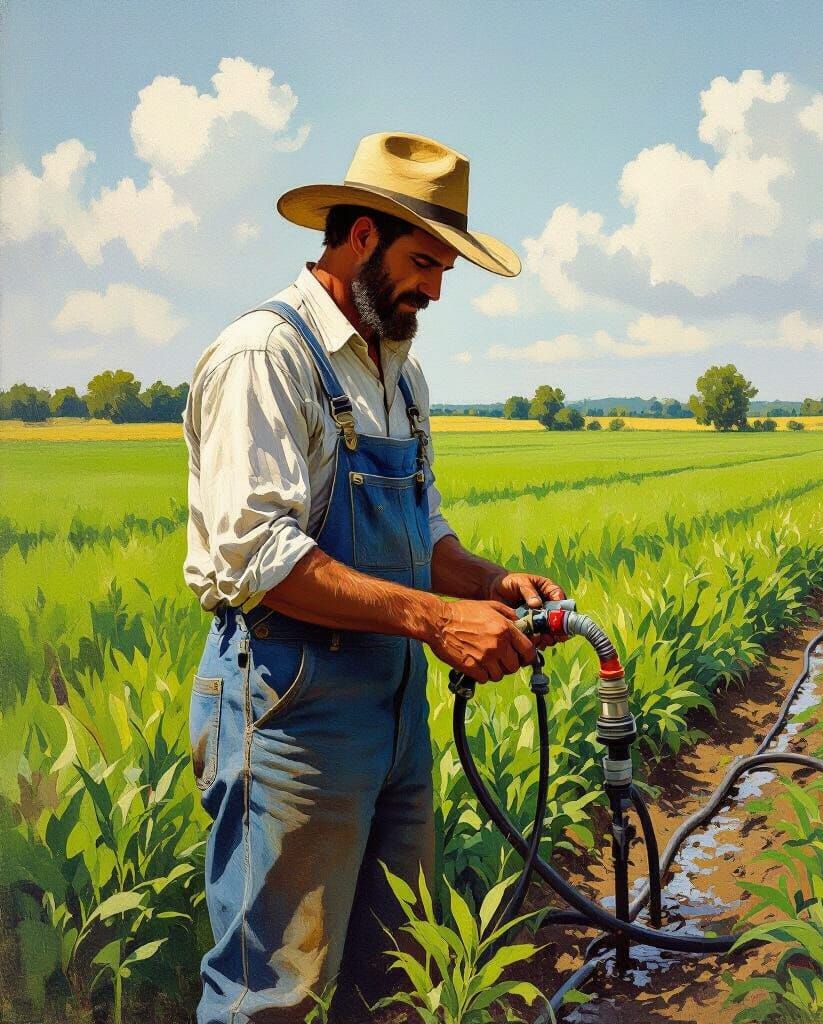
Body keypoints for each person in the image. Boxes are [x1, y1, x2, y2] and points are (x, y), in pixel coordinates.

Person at [182, 131, 566, 1023]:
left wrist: (484, 582)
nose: (435, 290)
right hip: (292, 710)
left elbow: (421, 531)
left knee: (397, 971)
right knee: (271, 991)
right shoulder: (265, 358)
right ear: (360, 238)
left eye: (443, 271)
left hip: (392, 713)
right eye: (423, 263)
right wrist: (438, 622)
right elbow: (259, 557)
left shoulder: (401, 369)